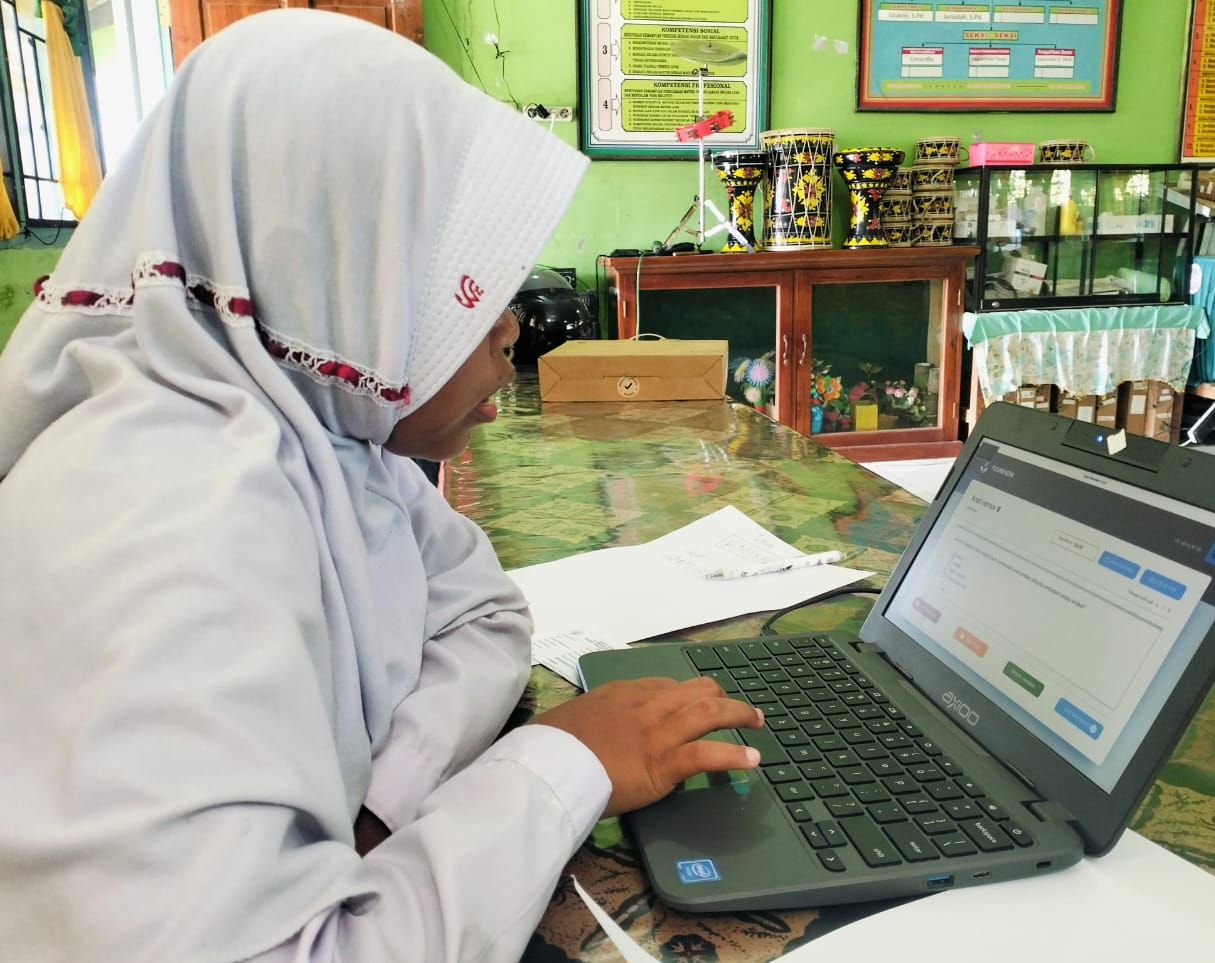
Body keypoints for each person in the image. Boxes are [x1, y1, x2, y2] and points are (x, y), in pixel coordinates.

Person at [0, 10, 763, 962]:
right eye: (463, 283)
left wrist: (380, 803)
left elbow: (484, 612)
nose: (510, 330)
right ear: (330, 273)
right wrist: (565, 764)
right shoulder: (161, 521)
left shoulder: (323, 438)